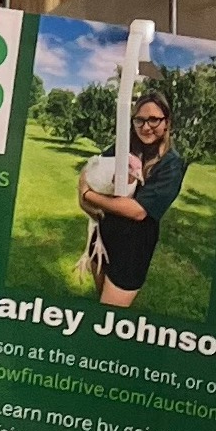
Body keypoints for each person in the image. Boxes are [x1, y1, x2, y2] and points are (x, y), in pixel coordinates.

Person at [78, 85, 186, 305]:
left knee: (111, 312)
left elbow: (137, 211)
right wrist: (87, 197)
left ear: (166, 122)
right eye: (139, 120)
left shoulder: (171, 164)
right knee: (101, 305)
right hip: (103, 237)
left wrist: (88, 196)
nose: (146, 127)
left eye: (153, 120)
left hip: (132, 249)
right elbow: (89, 171)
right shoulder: (123, 147)